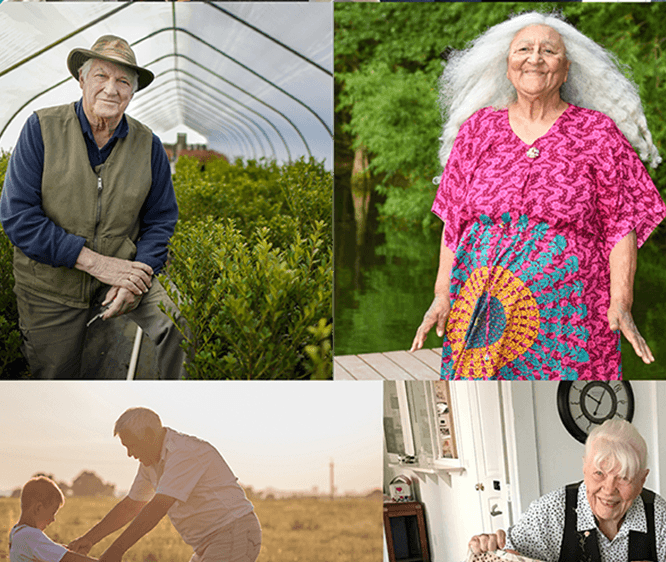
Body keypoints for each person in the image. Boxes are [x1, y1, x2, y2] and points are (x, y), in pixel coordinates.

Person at [409, 12, 666, 379]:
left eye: (549, 51)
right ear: (508, 66)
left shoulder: (597, 133)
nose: (534, 57)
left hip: (571, 317)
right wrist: (441, 295)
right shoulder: (478, 130)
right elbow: (454, 223)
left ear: (565, 69)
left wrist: (621, 301)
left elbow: (621, 223)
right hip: (482, 314)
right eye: (524, 49)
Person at [0, 35, 185, 379]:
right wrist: (99, 265)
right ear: (82, 79)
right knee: (55, 378)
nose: (111, 89)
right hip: (51, 286)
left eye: (123, 81)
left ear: (132, 92)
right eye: (101, 76)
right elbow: (18, 217)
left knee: (178, 320)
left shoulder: (149, 146)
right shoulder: (41, 128)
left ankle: (169, 415)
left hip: (124, 274)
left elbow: (161, 219)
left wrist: (136, 277)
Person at [67, 407, 261, 562]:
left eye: (132, 445)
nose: (130, 454)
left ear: (150, 435)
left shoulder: (185, 452)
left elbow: (157, 507)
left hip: (233, 532)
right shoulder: (149, 461)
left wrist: (116, 551)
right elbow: (130, 506)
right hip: (209, 542)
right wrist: (88, 539)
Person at [469, 419, 666, 562]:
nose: (608, 489)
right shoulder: (550, 511)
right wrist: (489, 547)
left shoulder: (659, 515)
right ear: (585, 468)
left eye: (623, 477)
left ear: (642, 480)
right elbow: (507, 553)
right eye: (599, 473)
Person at [10, 476, 98, 562]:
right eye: (52, 513)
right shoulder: (30, 535)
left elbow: (46, 549)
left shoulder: (16, 532)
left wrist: (68, 550)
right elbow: (68, 559)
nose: (53, 519)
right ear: (38, 508)